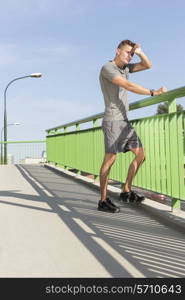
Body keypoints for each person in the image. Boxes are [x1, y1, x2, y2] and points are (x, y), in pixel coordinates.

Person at [98, 39, 167, 213]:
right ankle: (103, 200)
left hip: (125, 121)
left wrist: (140, 51)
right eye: (127, 52)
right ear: (117, 51)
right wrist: (153, 92)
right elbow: (127, 85)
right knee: (110, 160)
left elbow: (147, 65)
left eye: (131, 53)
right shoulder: (108, 68)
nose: (129, 55)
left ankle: (126, 190)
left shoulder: (126, 68)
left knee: (141, 155)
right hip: (113, 121)